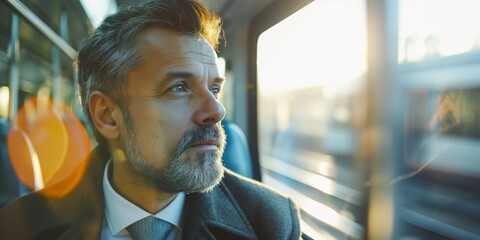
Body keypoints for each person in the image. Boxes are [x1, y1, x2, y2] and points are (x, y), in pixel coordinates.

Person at [0, 0, 301, 239]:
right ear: (108, 116)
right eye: (179, 88)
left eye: (214, 89)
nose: (217, 111)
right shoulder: (17, 227)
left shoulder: (271, 222)